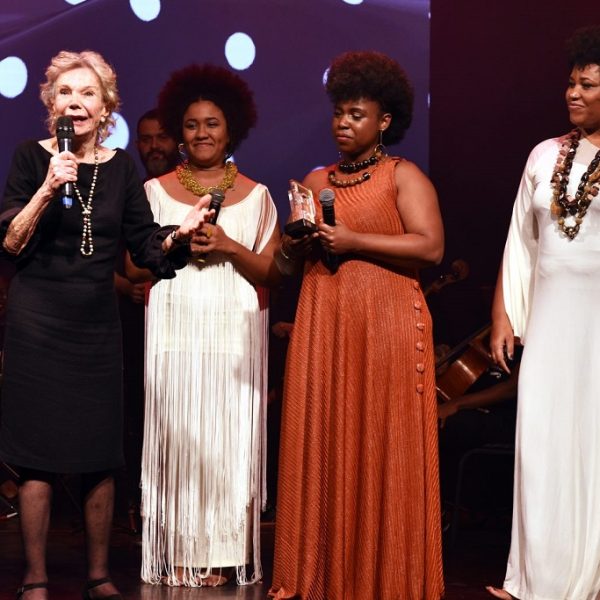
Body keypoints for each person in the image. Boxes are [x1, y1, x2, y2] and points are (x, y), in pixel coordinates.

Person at [0, 50, 213, 600]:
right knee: (35, 455)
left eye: (88, 93)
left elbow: (146, 248)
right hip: (37, 322)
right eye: (65, 93)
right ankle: (35, 577)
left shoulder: (120, 169)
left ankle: (98, 575)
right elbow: (10, 240)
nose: (76, 101)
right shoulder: (31, 158)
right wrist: (50, 186)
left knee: (99, 450)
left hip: (95, 324)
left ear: (106, 106)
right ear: (51, 105)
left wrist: (179, 234)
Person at [269, 50, 445, 600]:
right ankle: (322, 572)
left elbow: (431, 246)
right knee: (326, 436)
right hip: (326, 321)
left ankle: (383, 576)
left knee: (380, 442)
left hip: (387, 325)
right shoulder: (316, 179)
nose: (343, 123)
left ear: (384, 121)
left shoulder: (403, 176)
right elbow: (282, 262)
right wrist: (295, 243)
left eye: (357, 114)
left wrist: (354, 241)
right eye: (339, 113)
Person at [131, 64, 281, 588]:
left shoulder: (259, 196)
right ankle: (177, 551)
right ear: (179, 130)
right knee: (181, 435)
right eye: (192, 124)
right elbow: (133, 266)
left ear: (231, 128)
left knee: (227, 441)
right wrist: (175, 239)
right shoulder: (153, 191)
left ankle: (222, 552)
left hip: (234, 331)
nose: (201, 133)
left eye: (212, 123)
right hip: (175, 326)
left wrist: (226, 245)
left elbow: (271, 270)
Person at [487, 25, 600, 600]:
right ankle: (533, 579)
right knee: (541, 438)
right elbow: (520, 241)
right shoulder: (544, 154)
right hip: (553, 317)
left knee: (593, 443)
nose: (572, 93)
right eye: (571, 82)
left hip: (597, 321)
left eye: (587, 84)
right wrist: (506, 314)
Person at [135, 108, 179, 180]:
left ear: (177, 141)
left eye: (162, 137)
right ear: (137, 145)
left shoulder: (197, 188)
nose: (154, 145)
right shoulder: (134, 191)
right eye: (146, 140)